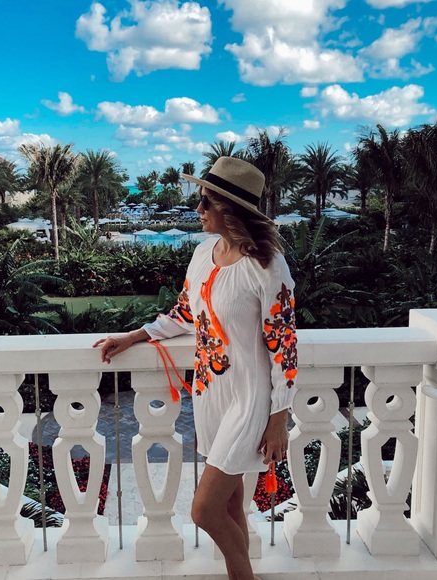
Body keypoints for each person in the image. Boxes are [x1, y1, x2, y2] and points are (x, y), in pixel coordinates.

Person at [93, 156, 298, 580]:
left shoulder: (267, 266)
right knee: (229, 504)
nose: (198, 209)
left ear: (230, 209)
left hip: (249, 398)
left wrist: (279, 416)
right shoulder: (204, 253)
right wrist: (134, 336)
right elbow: (187, 314)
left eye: (206, 201)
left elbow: (283, 344)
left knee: (204, 510)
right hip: (209, 393)